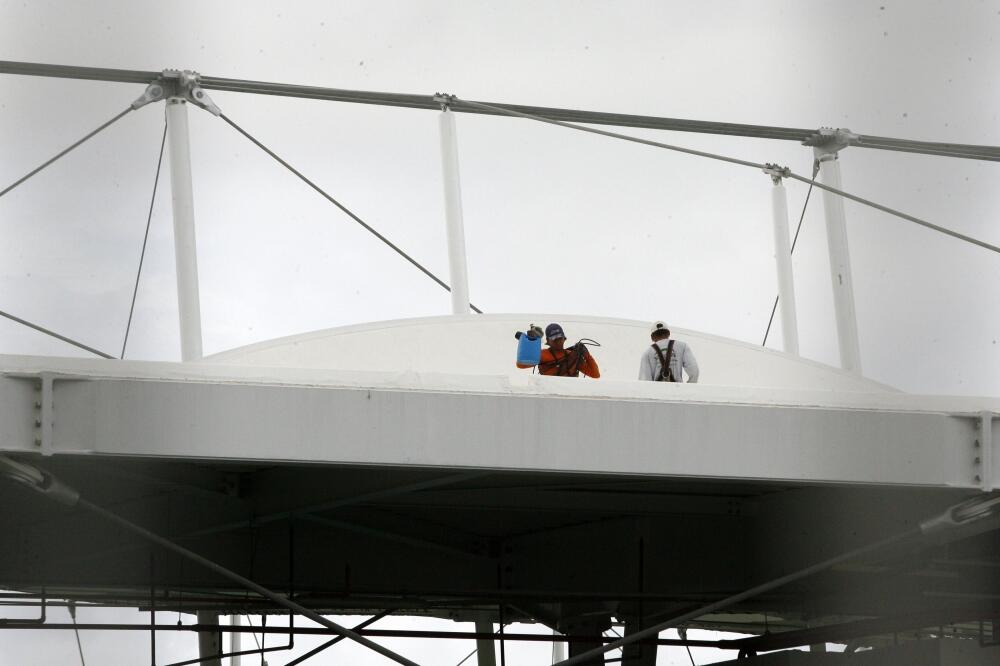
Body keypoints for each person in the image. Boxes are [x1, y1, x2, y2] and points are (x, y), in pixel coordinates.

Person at [519, 323, 600, 378]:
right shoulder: (543, 355)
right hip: (548, 396)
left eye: (559, 337)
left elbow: (595, 374)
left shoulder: (573, 356)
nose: (558, 340)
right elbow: (520, 365)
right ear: (548, 340)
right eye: (554, 338)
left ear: (564, 338)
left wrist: (586, 354)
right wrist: (532, 342)